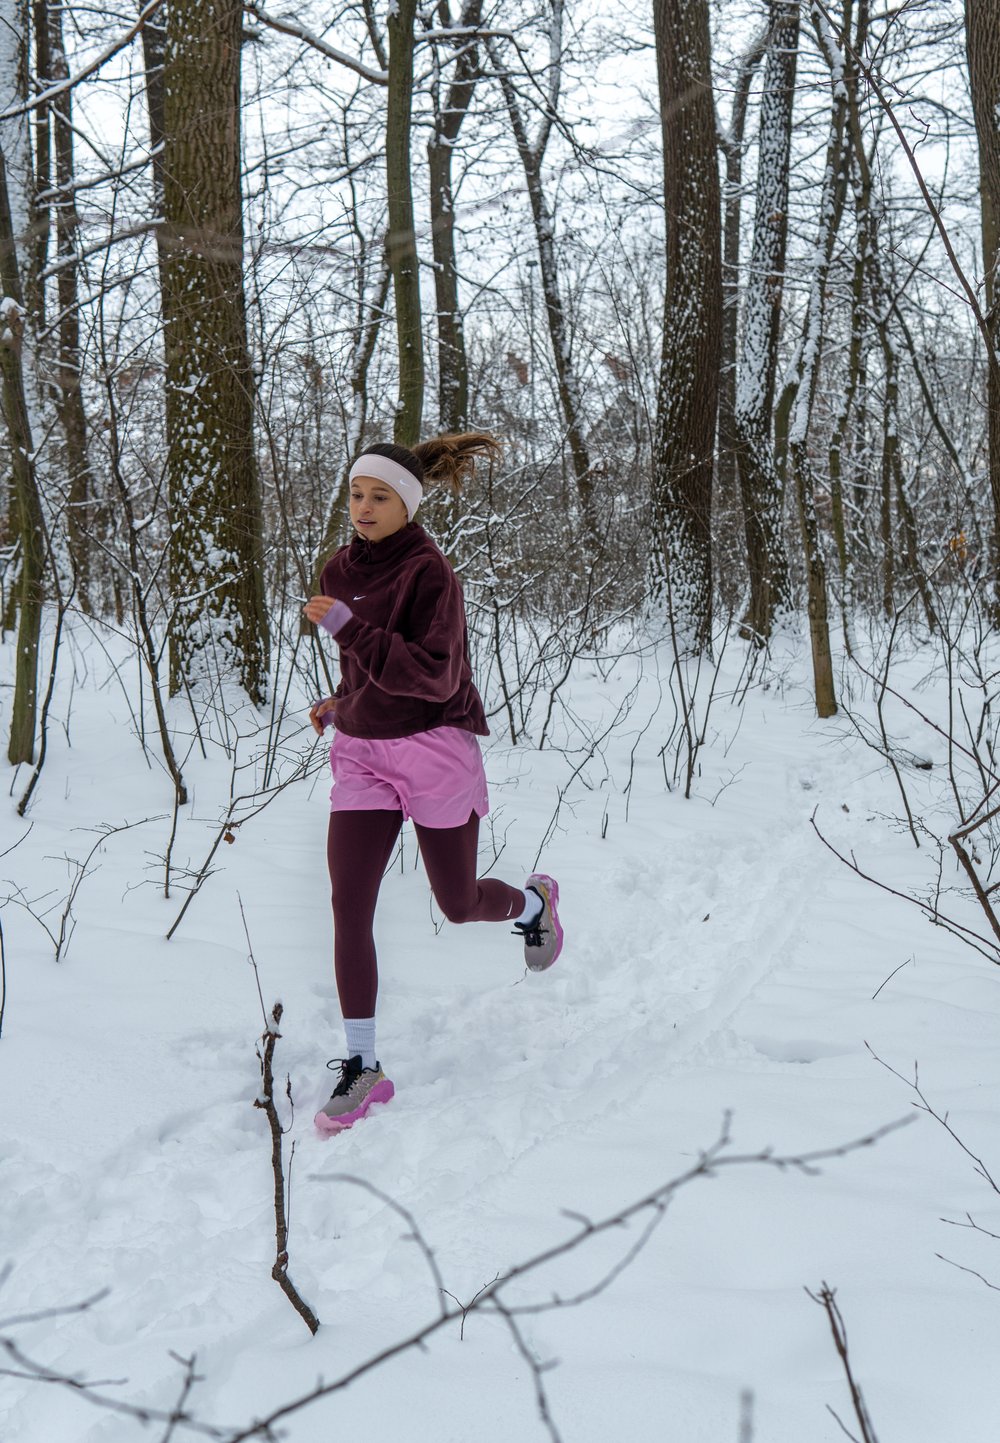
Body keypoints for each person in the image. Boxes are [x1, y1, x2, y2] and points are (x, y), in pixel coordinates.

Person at [303, 432, 563, 1136]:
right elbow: (368, 672)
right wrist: (341, 700)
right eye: (357, 492)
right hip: (362, 753)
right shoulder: (337, 566)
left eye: (379, 496)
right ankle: (363, 1066)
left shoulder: (429, 573)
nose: (362, 507)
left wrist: (350, 631)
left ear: (408, 504)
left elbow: (434, 676)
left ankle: (533, 904)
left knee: (457, 901)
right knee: (348, 902)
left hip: (433, 748)